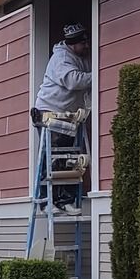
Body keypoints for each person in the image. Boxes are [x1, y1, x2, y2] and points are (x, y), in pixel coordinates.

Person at [31, 25, 92, 206]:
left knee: (67, 157)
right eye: (84, 43)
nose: (87, 45)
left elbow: (89, 68)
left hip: (65, 115)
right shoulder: (61, 58)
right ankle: (48, 199)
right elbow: (73, 81)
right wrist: (96, 75)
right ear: (73, 44)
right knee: (54, 157)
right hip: (48, 114)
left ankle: (64, 200)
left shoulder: (80, 58)